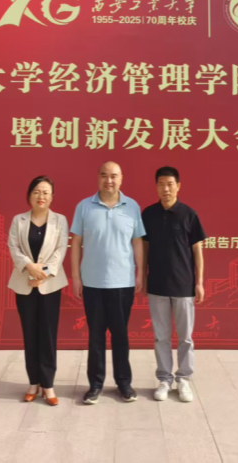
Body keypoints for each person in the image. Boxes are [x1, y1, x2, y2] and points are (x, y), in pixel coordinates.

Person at [70, 161, 146, 405]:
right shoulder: (84, 206)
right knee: (96, 336)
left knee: (121, 335)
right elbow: (76, 243)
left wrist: (140, 274)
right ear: (98, 178)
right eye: (104, 175)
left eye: (114, 176)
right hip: (92, 283)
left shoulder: (132, 206)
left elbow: (137, 242)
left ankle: (124, 383)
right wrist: (76, 277)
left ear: (121, 179)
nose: (109, 180)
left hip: (122, 282)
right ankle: (95, 385)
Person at [141, 166, 206, 403]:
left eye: (170, 184)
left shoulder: (189, 214)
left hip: (184, 286)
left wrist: (199, 282)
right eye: (161, 184)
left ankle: (184, 379)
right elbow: (145, 249)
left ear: (178, 186)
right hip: (157, 285)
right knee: (161, 337)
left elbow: (197, 251)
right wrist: (143, 277)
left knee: (185, 337)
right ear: (156, 187)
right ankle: (164, 379)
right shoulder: (148, 214)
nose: (165, 189)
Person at [7, 176, 69, 406]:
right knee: (30, 334)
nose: (41, 196)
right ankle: (33, 383)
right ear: (29, 195)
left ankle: (48, 385)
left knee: (48, 335)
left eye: (45, 192)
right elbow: (13, 247)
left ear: (52, 197)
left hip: (49, 285)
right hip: (24, 284)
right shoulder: (19, 220)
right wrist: (29, 268)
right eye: (36, 192)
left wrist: (41, 273)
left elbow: (60, 250)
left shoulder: (60, 221)